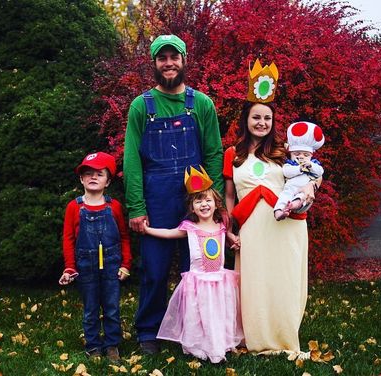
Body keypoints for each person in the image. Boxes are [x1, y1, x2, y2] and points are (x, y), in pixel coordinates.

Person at [123, 34, 224, 354]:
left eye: (174, 57)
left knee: (200, 269)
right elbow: (131, 160)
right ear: (154, 63)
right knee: (154, 269)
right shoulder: (142, 106)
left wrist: (216, 203)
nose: (169, 63)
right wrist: (137, 206)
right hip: (156, 198)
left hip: (197, 200)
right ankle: (148, 332)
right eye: (162, 58)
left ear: (184, 60)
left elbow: (214, 154)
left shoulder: (201, 104)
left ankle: (195, 330)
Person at [223, 59, 321, 354]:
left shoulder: (285, 153)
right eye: (256, 117)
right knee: (256, 283)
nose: (262, 123)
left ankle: (284, 336)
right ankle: (257, 337)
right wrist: (229, 228)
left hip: (286, 225)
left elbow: (312, 176)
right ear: (246, 120)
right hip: (252, 226)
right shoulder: (232, 154)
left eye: (267, 118)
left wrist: (311, 188)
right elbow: (229, 196)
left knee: (284, 280)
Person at [143, 165, 243, 363]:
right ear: (192, 207)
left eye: (208, 200)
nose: (204, 205)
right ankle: (199, 346)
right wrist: (148, 230)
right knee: (198, 315)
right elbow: (170, 233)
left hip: (219, 281)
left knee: (219, 313)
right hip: (198, 280)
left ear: (216, 203)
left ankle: (219, 343)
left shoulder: (221, 227)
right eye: (199, 201)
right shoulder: (190, 227)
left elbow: (230, 237)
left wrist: (234, 239)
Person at [59, 152, 132, 363]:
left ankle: (111, 346)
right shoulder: (74, 207)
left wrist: (126, 264)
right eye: (88, 173)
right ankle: (93, 346)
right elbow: (68, 239)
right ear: (81, 179)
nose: (93, 177)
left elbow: (125, 237)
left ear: (107, 181)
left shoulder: (114, 207)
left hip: (111, 265)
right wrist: (70, 267)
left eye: (99, 174)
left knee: (111, 308)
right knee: (90, 309)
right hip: (85, 266)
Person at [274, 121, 325, 221]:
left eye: (306, 155)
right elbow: (286, 172)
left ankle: (293, 205)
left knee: (301, 197)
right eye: (297, 154)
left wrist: (311, 166)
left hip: (304, 188)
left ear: (311, 155)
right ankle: (278, 212)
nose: (301, 157)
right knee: (284, 197)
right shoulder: (290, 164)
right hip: (290, 187)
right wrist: (299, 169)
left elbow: (320, 172)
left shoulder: (313, 164)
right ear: (291, 154)